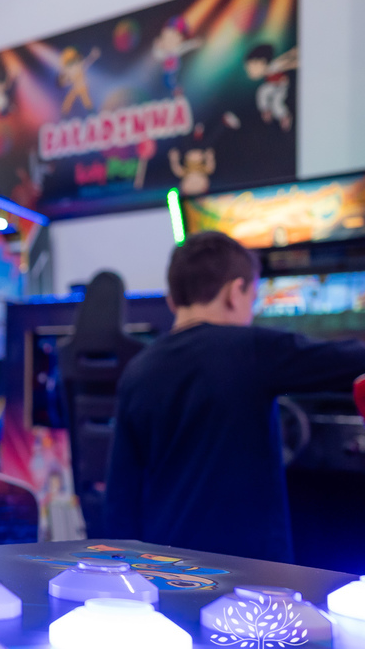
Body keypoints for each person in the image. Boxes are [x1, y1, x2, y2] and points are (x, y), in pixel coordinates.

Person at [105, 231, 365, 562]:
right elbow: (351, 358)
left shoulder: (137, 370)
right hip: (249, 577)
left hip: (164, 569)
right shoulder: (251, 349)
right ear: (234, 292)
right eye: (252, 298)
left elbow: (121, 497)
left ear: (172, 300)